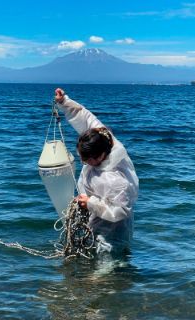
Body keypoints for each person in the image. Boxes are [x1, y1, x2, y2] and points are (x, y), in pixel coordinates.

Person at [54, 88, 139, 255]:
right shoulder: (102, 138)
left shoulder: (115, 179)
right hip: (97, 220)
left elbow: (121, 211)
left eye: (87, 159)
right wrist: (64, 101)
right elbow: (86, 119)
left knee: (105, 271)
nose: (84, 162)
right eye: (81, 157)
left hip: (114, 232)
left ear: (100, 155)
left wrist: (91, 203)